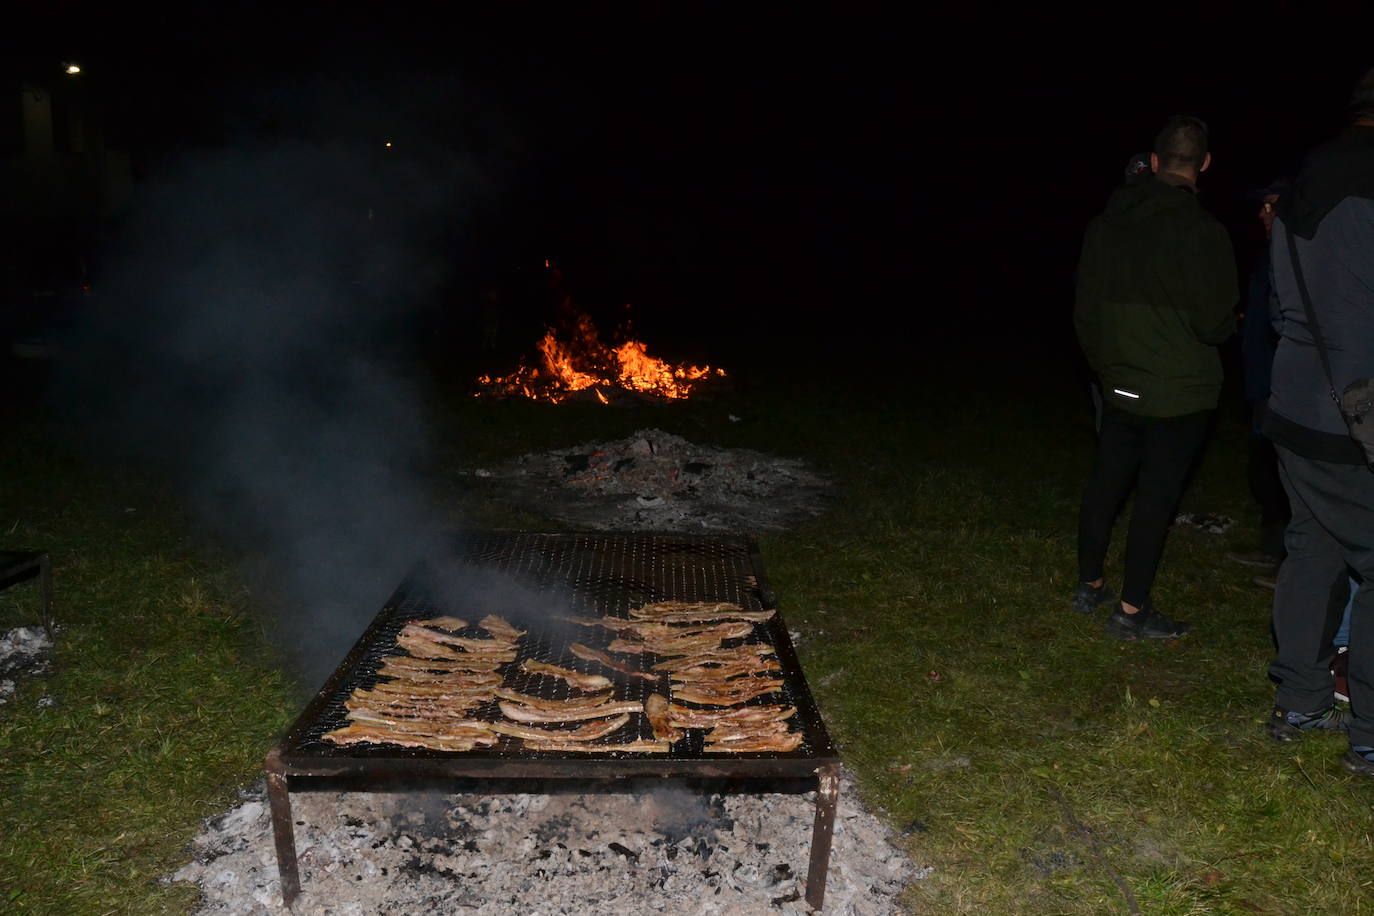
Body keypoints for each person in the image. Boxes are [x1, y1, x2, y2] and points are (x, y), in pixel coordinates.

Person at [1072, 115, 1238, 639]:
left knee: (1107, 484)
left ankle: (1090, 585)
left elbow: (1085, 311)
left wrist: (1108, 368)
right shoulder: (1202, 232)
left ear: (1157, 161)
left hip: (1120, 384)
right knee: (1154, 500)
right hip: (1178, 393)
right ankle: (1131, 612)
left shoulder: (1107, 223)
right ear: (1205, 165)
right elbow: (1214, 323)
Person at [1261, 67, 1374, 776]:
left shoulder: (1303, 182)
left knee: (1312, 549)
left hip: (1294, 399)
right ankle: (1369, 731)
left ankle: (1300, 699)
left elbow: (1281, 306)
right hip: (1356, 411)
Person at [1227, 180, 1292, 588]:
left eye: (1271, 206)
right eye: (1262, 207)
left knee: (1289, 474)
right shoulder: (1269, 254)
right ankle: (1271, 548)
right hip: (1260, 380)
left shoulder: (1302, 254)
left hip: (1285, 384)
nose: (1262, 215)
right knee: (1264, 469)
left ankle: (1290, 563)